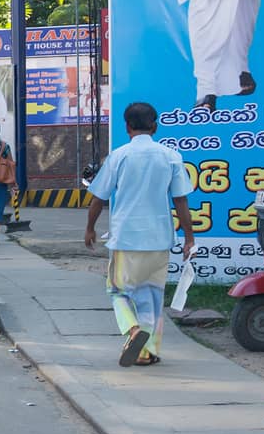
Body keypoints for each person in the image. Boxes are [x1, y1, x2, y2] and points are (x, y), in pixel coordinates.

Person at [84, 102, 196, 367]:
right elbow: (181, 201)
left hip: (126, 237)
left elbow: (99, 198)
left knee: (118, 292)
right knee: (152, 296)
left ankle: (132, 329)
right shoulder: (171, 156)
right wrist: (189, 238)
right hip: (159, 239)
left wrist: (90, 228)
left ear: (127, 127)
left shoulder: (119, 156)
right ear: (155, 126)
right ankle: (147, 352)